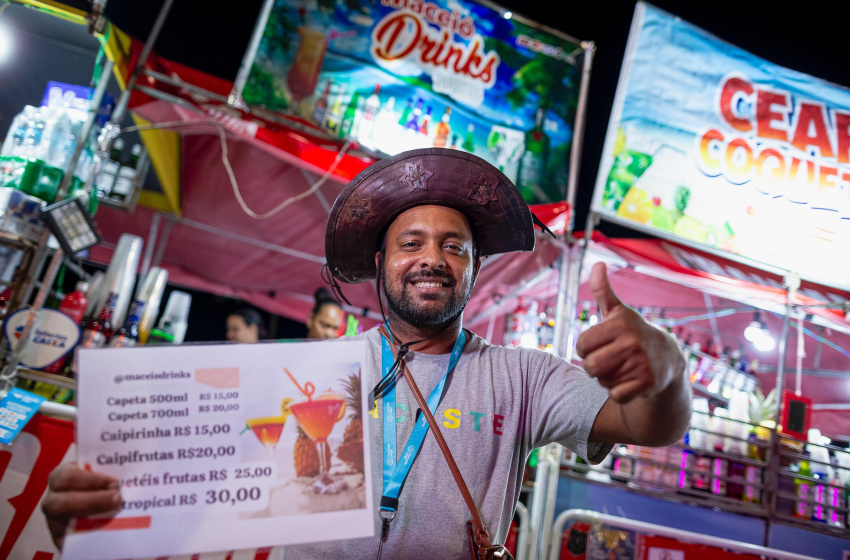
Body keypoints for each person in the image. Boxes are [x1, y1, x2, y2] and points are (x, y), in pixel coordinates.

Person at [41, 149, 690, 558]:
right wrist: (97, 516)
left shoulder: (520, 378)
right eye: (411, 242)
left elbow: (646, 425)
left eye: (454, 246)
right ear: (381, 263)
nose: (432, 258)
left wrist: (666, 372)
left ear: (473, 268)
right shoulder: (305, 374)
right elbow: (194, 490)